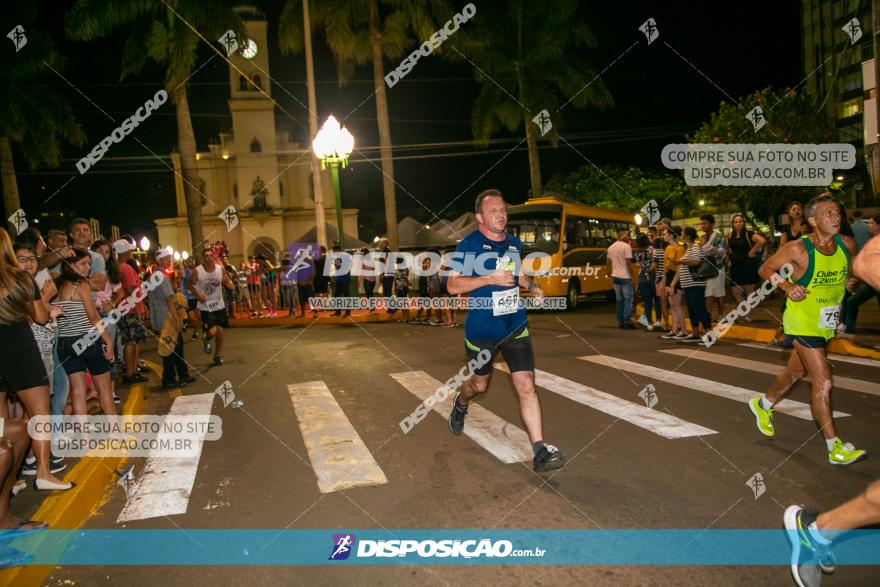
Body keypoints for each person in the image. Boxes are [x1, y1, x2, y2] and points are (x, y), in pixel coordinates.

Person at [446, 189, 565, 473]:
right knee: (479, 385)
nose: (501, 215)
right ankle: (461, 401)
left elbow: (518, 273)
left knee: (526, 384)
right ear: (480, 218)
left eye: (503, 210)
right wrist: (489, 277)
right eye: (493, 211)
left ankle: (539, 450)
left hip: (514, 325)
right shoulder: (468, 245)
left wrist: (532, 286)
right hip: (482, 330)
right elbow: (452, 286)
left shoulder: (512, 242)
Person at [747, 194, 865, 466]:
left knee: (796, 372)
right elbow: (766, 269)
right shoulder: (797, 249)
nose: (835, 218)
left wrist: (851, 282)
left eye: (837, 213)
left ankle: (762, 405)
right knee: (823, 381)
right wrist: (788, 287)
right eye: (828, 214)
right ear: (812, 220)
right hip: (801, 321)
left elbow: (853, 273)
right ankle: (835, 447)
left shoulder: (846, 244)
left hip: (826, 323)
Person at [54, 247, 117, 421]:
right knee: (104, 388)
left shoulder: (56, 285)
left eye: (89, 263)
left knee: (78, 391)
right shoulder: (80, 285)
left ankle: (83, 436)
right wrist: (107, 340)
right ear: (70, 264)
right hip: (86, 340)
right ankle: (114, 430)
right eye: (82, 263)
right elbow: (93, 316)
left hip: (65, 344)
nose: (88, 267)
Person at [148, 249, 196, 389]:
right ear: (162, 260)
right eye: (168, 257)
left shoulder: (158, 275)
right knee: (171, 348)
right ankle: (170, 378)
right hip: (167, 318)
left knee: (176, 346)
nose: (170, 260)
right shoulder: (160, 276)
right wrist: (177, 318)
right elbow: (169, 299)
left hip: (163, 316)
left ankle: (182, 374)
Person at [91, 240, 125, 405]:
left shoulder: (111, 271)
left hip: (106, 316)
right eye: (100, 251)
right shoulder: (86, 268)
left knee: (109, 352)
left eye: (107, 252)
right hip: (90, 315)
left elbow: (121, 293)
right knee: (93, 353)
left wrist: (111, 304)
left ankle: (111, 390)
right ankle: (96, 391)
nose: (103, 255)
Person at [838, 213, 880, 340]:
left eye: (872, 223)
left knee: (852, 301)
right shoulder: (872, 240)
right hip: (873, 282)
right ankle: (849, 330)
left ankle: (849, 330)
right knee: (852, 301)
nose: (869, 225)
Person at [188, 247, 233, 365]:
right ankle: (206, 338)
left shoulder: (220, 269)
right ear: (203, 258)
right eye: (206, 256)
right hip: (205, 306)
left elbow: (226, 280)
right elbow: (189, 285)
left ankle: (217, 355)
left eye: (210, 255)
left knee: (221, 332)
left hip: (219, 305)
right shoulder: (197, 271)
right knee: (213, 332)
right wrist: (198, 295)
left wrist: (229, 283)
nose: (208, 258)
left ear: (214, 257)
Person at [113, 240, 148, 385]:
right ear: (126, 252)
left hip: (125, 309)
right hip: (130, 310)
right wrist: (139, 309)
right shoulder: (126, 268)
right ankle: (130, 373)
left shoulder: (117, 267)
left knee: (132, 341)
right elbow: (131, 290)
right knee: (132, 342)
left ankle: (132, 372)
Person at [674, 226, 712, 342]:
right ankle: (695, 333)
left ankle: (709, 333)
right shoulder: (689, 248)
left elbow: (696, 261)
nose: (681, 234)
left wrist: (680, 261)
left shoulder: (695, 247)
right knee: (692, 309)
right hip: (689, 284)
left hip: (695, 284)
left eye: (682, 233)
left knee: (699, 308)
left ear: (688, 236)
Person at [727, 213, 766, 323]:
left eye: (740, 221)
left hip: (747, 265)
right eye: (735, 222)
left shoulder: (748, 234)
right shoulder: (730, 236)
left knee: (749, 291)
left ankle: (747, 315)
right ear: (732, 224)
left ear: (743, 223)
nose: (738, 223)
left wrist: (751, 252)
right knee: (735, 291)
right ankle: (745, 312)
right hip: (735, 267)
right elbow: (731, 249)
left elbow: (762, 241)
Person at [698, 214, 727, 321]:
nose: (702, 226)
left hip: (718, 268)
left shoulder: (719, 237)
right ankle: (708, 316)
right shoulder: (701, 238)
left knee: (719, 292)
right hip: (706, 269)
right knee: (708, 292)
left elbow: (721, 253)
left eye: (704, 223)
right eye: (701, 224)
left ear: (712, 224)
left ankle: (720, 315)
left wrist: (708, 248)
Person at [660, 226, 687, 339]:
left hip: (676, 278)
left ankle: (683, 330)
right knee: (672, 305)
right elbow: (665, 268)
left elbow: (680, 268)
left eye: (665, 234)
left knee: (677, 305)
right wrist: (664, 282)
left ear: (671, 235)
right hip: (669, 276)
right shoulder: (668, 248)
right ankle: (674, 329)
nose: (663, 236)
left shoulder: (679, 249)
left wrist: (673, 284)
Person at [606, 229, 635, 329]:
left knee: (619, 300)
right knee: (627, 299)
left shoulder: (611, 247)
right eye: (627, 235)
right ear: (621, 236)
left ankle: (621, 322)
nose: (628, 237)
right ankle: (627, 321)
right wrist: (633, 276)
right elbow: (628, 262)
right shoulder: (627, 247)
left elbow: (608, 263)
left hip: (615, 276)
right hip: (625, 276)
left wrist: (609, 275)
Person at [634, 234, 660, 330]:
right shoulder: (652, 249)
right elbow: (654, 266)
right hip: (653, 277)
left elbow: (637, 264)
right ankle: (658, 320)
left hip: (642, 277)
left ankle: (649, 323)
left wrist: (643, 267)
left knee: (647, 302)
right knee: (657, 299)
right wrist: (649, 269)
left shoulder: (637, 252)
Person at [330, 245, 352, 317]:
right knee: (337, 295)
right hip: (339, 278)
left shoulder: (345, 256)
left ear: (338, 250)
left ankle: (348, 311)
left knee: (346, 295)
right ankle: (338, 311)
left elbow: (349, 265)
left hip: (345, 278)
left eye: (334, 251)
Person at [183, 258, 201, 338]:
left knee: (200, 317)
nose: (191, 263)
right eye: (189, 261)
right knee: (192, 318)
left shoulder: (197, 271)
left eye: (192, 261)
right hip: (188, 297)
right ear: (186, 263)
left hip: (196, 296)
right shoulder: (184, 271)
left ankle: (195, 333)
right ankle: (185, 322)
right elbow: (177, 281)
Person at [359, 247, 376, 312]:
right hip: (373, 279)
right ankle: (372, 307)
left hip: (367, 279)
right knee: (370, 293)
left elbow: (362, 269)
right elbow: (374, 269)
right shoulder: (371, 259)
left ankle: (372, 308)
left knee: (368, 294)